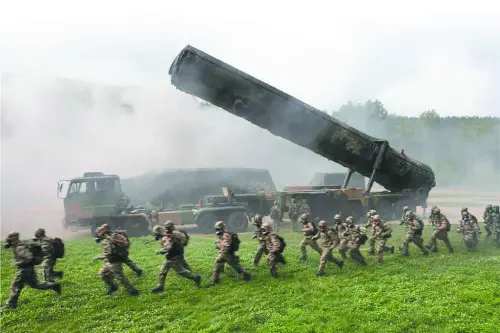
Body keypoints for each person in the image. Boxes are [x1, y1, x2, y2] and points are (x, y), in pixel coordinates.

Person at [1, 232, 61, 309]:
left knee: (15, 285)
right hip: (29, 269)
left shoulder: (19, 247)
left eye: (10, 240)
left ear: (13, 240)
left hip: (25, 269)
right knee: (35, 284)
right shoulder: (19, 245)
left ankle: (11, 304)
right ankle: (53, 285)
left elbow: (28, 257)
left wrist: (18, 262)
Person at [151, 223, 201, 293]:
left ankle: (195, 277)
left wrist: (160, 251)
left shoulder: (166, 237)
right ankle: (160, 286)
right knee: (162, 271)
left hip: (173, 258)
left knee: (181, 272)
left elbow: (168, 248)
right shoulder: (168, 235)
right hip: (170, 257)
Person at [94, 224, 139, 295]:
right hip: (111, 260)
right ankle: (113, 286)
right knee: (103, 274)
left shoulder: (107, 240)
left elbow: (107, 253)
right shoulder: (113, 236)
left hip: (114, 261)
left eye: (99, 233)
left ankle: (133, 291)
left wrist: (98, 256)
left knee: (120, 277)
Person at [208, 221, 252, 286]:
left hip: (226, 254)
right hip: (225, 253)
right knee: (230, 265)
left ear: (222, 228)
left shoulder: (226, 235)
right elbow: (219, 243)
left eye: (218, 229)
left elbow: (226, 246)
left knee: (232, 265)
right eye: (216, 229)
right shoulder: (221, 234)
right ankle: (215, 279)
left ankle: (215, 280)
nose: (217, 230)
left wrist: (221, 256)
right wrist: (218, 245)